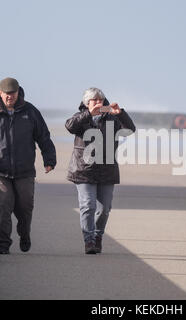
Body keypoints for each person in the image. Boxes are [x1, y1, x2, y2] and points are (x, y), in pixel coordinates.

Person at [0, 78, 57, 254]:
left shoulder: (30, 111)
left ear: (18, 93)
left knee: (25, 208)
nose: (9, 97)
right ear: (0, 92)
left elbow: (43, 136)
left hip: (24, 171)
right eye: (6, 94)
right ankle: (4, 244)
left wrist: (49, 159)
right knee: (4, 208)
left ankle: (24, 233)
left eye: (12, 94)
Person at [65, 88, 136, 254]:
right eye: (94, 100)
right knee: (88, 205)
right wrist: (89, 114)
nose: (98, 103)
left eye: (100, 100)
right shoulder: (80, 117)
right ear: (86, 103)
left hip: (107, 170)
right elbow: (69, 126)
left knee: (104, 210)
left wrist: (120, 114)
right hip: (83, 169)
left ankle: (98, 236)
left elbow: (130, 129)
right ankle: (88, 240)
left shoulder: (112, 118)